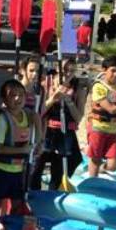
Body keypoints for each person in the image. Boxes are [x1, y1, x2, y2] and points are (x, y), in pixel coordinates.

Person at [0, 80, 41, 230]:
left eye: (21, 95)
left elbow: (37, 142)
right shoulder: (2, 120)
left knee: (17, 208)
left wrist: (38, 122)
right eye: (12, 95)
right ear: (4, 99)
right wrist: (22, 149)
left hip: (18, 171)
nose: (17, 99)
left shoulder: (28, 116)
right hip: (0, 170)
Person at [32, 59, 86, 190]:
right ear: (58, 68)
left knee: (64, 167)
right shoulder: (46, 84)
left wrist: (68, 101)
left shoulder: (78, 88)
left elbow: (78, 117)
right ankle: (33, 193)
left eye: (72, 71)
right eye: (65, 70)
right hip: (46, 132)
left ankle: (53, 193)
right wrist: (54, 97)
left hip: (65, 133)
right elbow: (39, 110)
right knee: (37, 167)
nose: (68, 73)